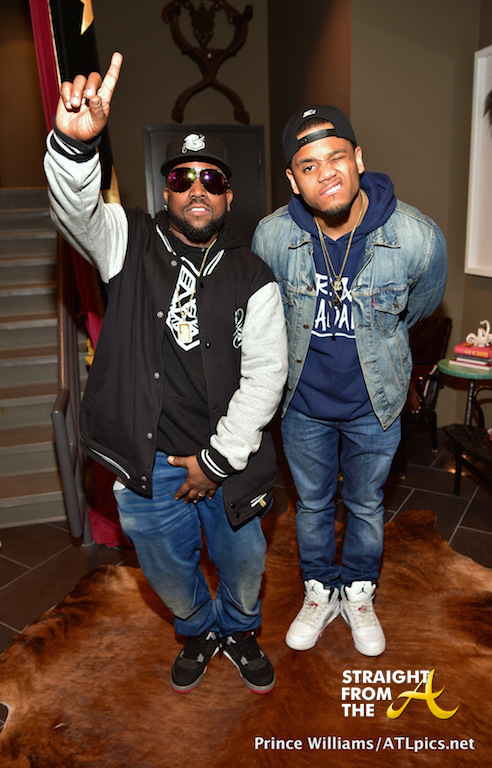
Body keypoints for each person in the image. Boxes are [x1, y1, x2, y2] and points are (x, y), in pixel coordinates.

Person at [44, 53, 288, 694]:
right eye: (183, 177)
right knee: (170, 575)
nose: (197, 188)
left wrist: (216, 461)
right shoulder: (126, 240)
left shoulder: (254, 276)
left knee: (244, 567)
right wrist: (75, 147)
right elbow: (75, 214)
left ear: (228, 196)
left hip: (229, 462)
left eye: (211, 178)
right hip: (145, 464)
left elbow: (266, 377)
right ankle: (199, 629)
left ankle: (240, 630)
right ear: (166, 192)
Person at [252, 105, 447, 657]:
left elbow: (420, 309)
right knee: (312, 507)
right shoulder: (273, 236)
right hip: (302, 407)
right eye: (308, 166)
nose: (327, 173)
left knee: (364, 506)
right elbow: (265, 319)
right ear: (293, 180)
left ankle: (359, 592)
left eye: (336, 157)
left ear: (358, 159)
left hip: (374, 407)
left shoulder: (416, 237)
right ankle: (319, 590)